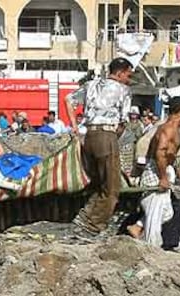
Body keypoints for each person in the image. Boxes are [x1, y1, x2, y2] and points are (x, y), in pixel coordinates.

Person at [65, 57, 133, 235]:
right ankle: (92, 224)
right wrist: (113, 139)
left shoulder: (91, 85)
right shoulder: (124, 90)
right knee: (112, 187)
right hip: (106, 135)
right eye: (128, 75)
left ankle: (85, 215)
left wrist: (74, 127)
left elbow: (68, 100)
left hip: (89, 136)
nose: (129, 79)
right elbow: (123, 122)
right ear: (119, 73)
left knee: (97, 182)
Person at [127, 99, 180, 246]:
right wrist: (162, 177)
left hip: (164, 170)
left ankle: (137, 227)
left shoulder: (176, 129)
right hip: (155, 172)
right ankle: (151, 247)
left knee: (167, 212)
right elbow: (160, 153)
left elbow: (170, 154)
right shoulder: (168, 129)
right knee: (155, 215)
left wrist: (178, 170)